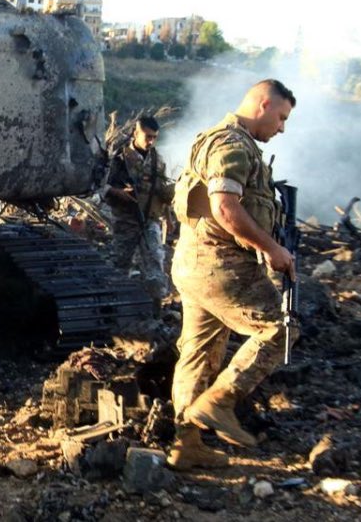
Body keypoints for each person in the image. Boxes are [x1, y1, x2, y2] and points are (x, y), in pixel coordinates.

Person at [166, 79, 297, 470]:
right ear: (264, 104)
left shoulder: (219, 140)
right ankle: (220, 402)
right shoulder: (232, 144)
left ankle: (186, 444)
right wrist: (271, 248)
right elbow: (225, 207)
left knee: (198, 353)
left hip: (194, 263)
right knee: (280, 329)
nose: (282, 128)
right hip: (220, 265)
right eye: (281, 117)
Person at [103, 115, 175, 299]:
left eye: (154, 137)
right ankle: (115, 303)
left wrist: (168, 218)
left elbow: (159, 190)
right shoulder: (119, 159)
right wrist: (118, 192)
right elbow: (101, 185)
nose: (151, 141)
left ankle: (156, 306)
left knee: (155, 264)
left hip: (150, 220)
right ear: (136, 133)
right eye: (147, 136)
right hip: (125, 221)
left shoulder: (157, 160)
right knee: (120, 264)